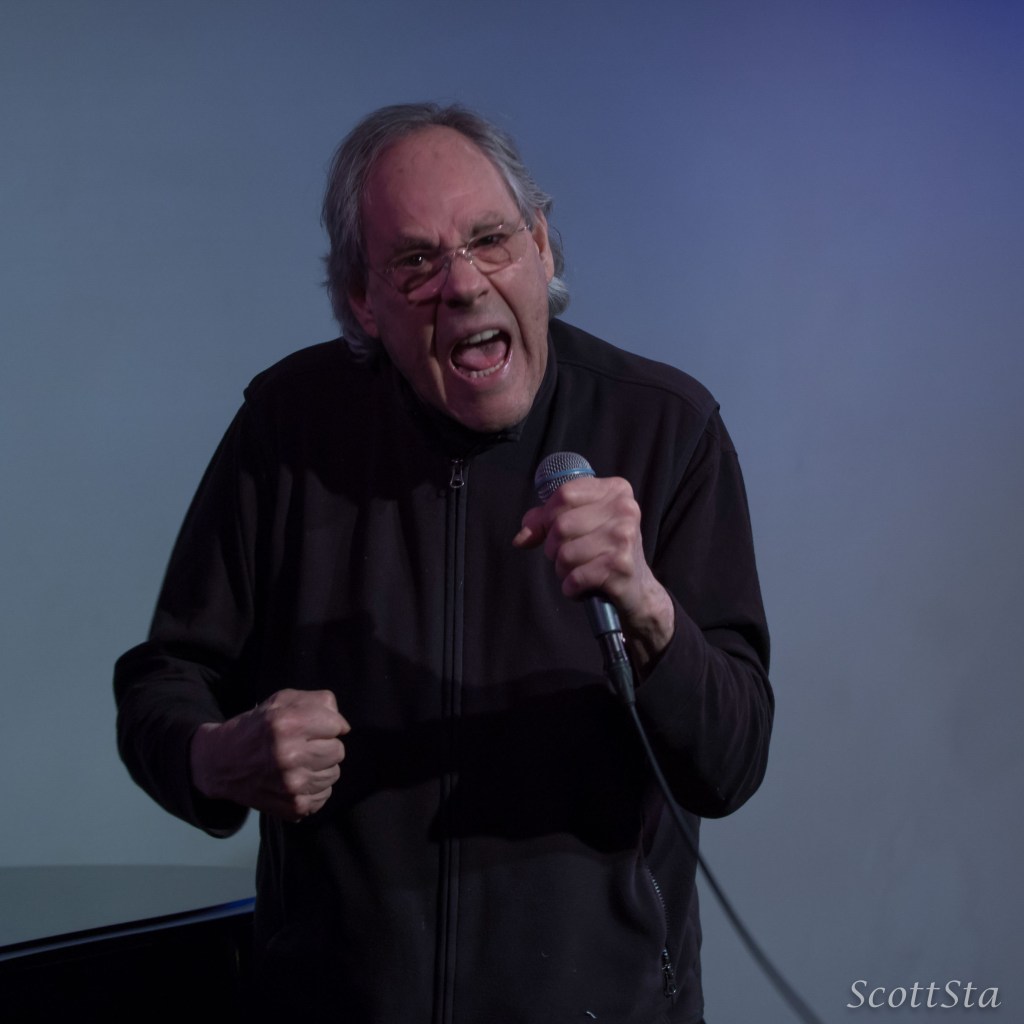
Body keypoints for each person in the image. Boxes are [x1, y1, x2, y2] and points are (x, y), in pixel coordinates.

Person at [115, 102, 773, 1023]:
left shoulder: (667, 430)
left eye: (491, 240)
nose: (463, 285)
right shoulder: (287, 431)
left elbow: (732, 763)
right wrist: (217, 759)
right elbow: (162, 684)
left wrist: (650, 612)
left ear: (540, 246)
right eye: (416, 261)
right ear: (362, 298)